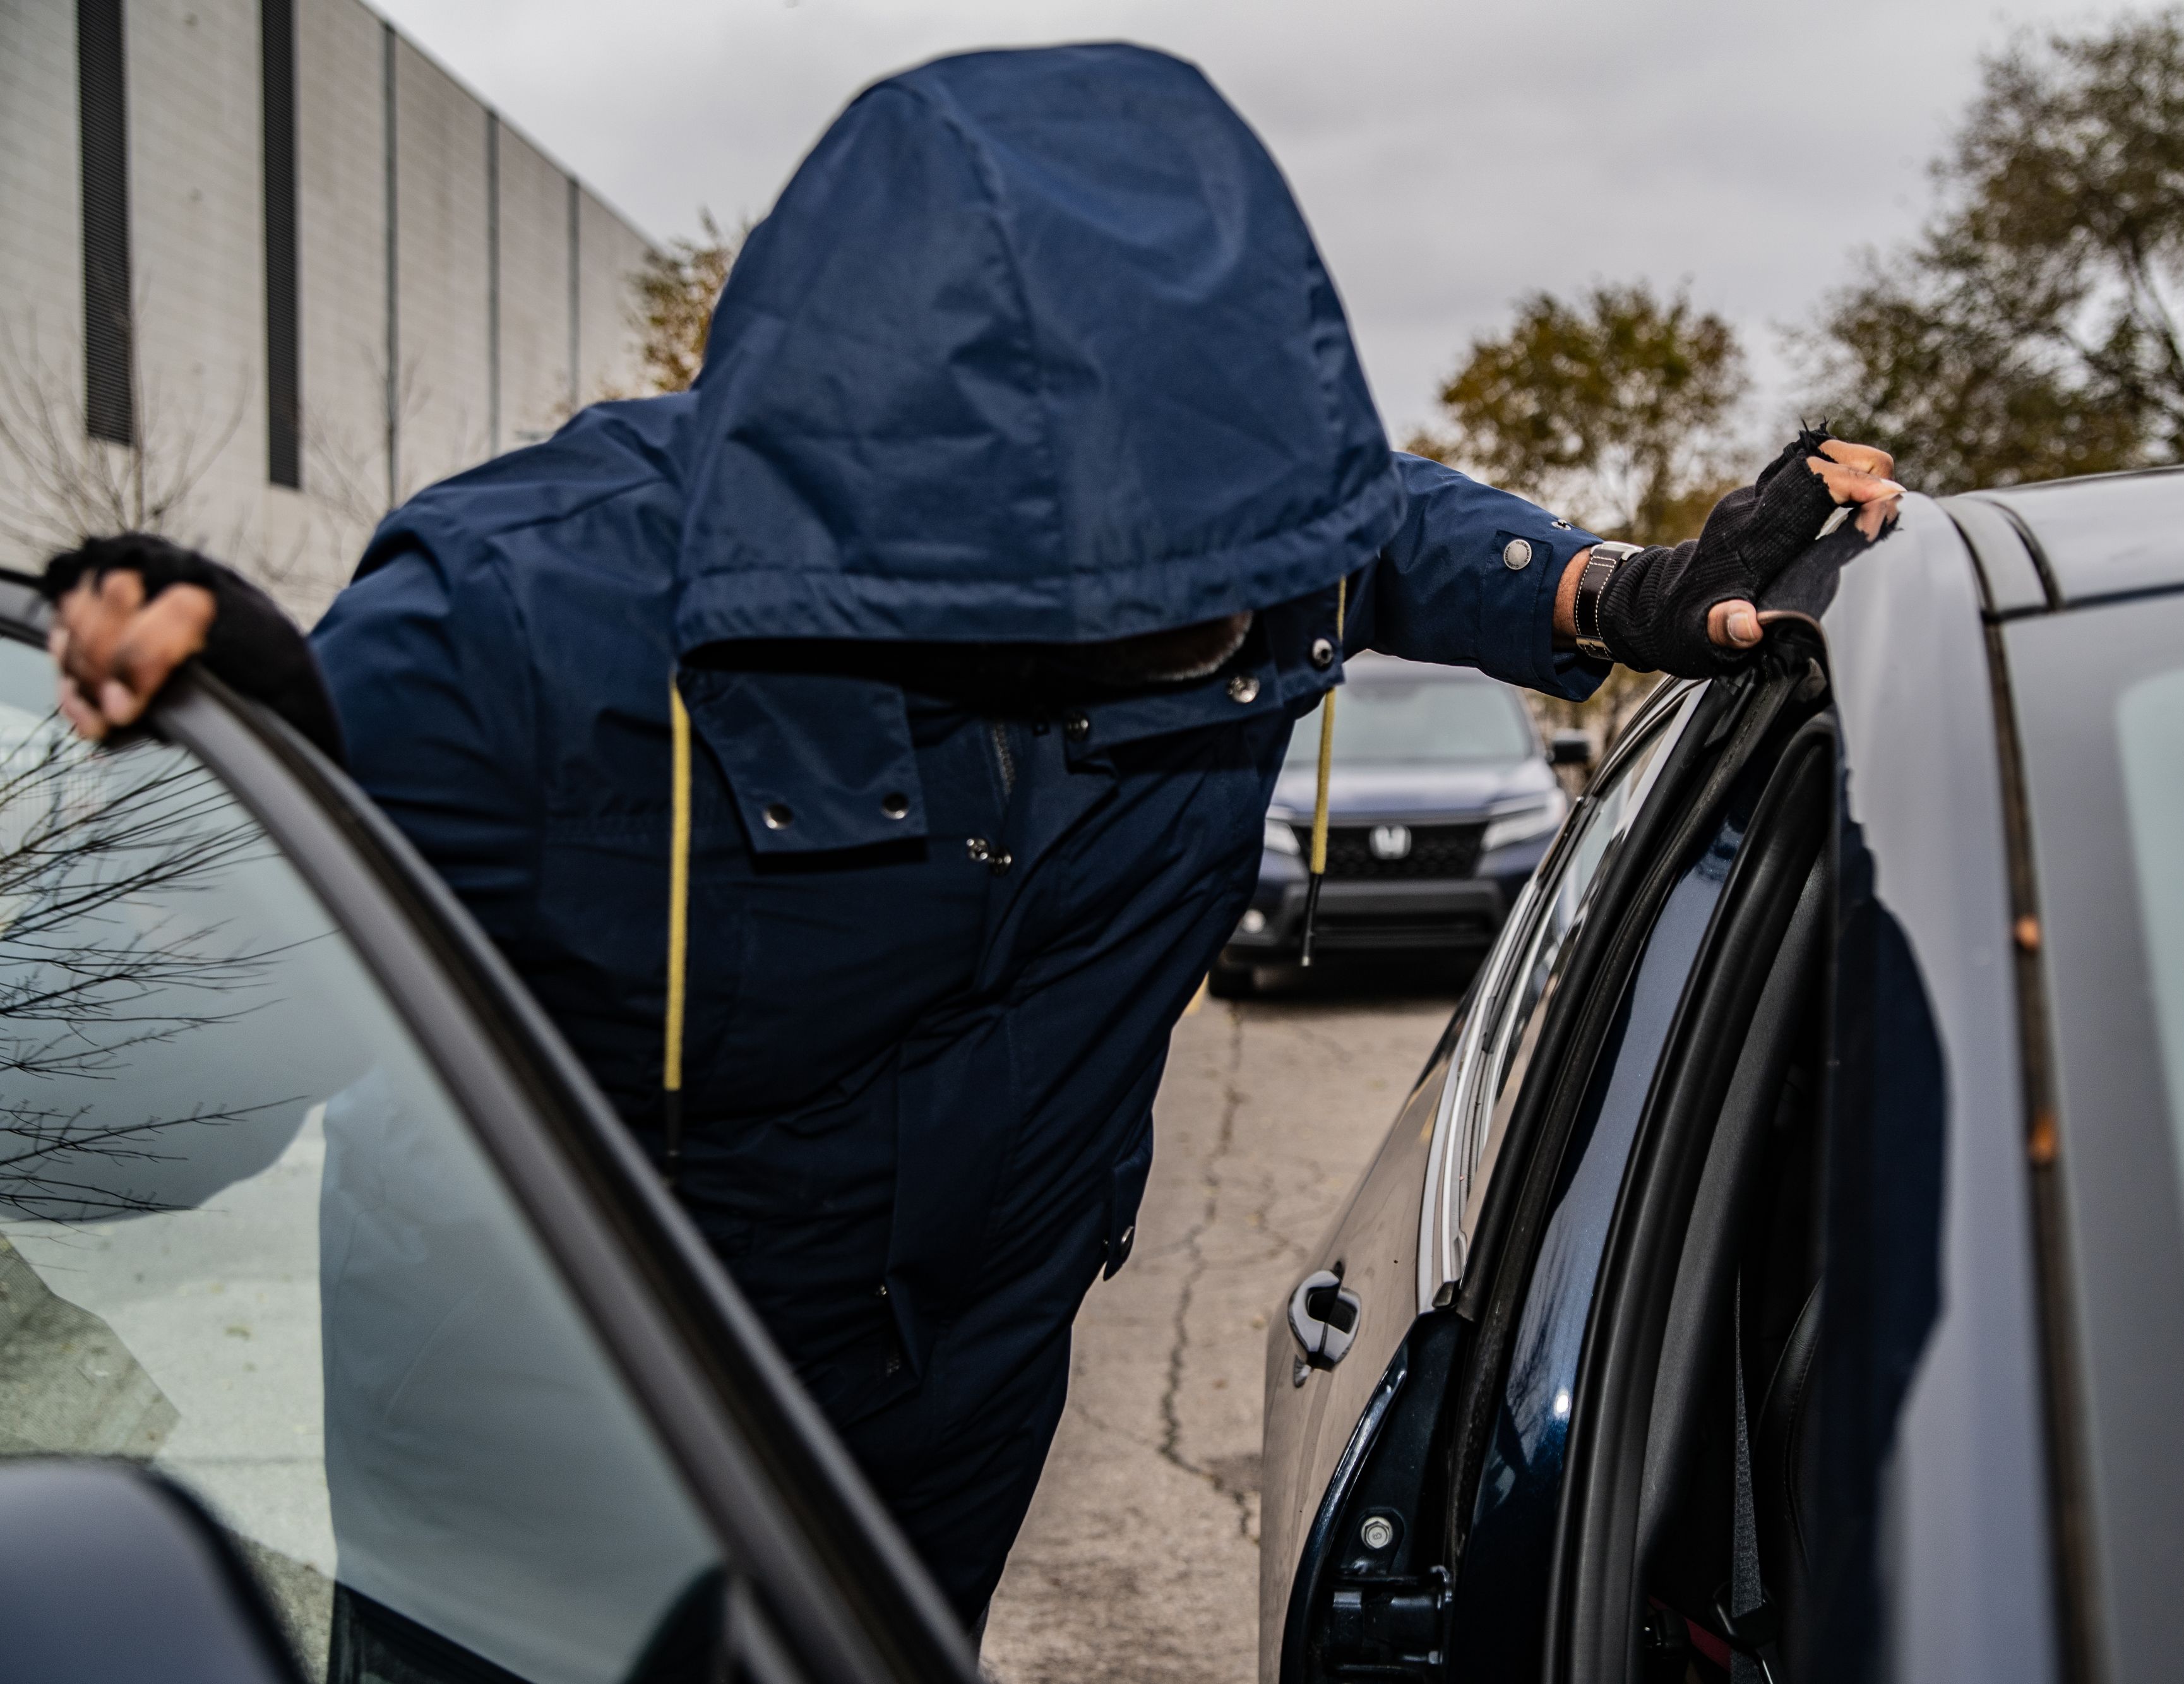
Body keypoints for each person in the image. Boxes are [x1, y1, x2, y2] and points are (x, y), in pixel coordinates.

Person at [43, 42, 1900, 1631]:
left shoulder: (1246, 538)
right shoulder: (512, 643)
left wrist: (1602, 587)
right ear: (927, 540)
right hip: (541, 1493)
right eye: (1171, 593)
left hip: (947, 1436)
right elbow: (106, 1138)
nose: (1251, 626)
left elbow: (1376, 525)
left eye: (1256, 559)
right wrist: (232, 857)